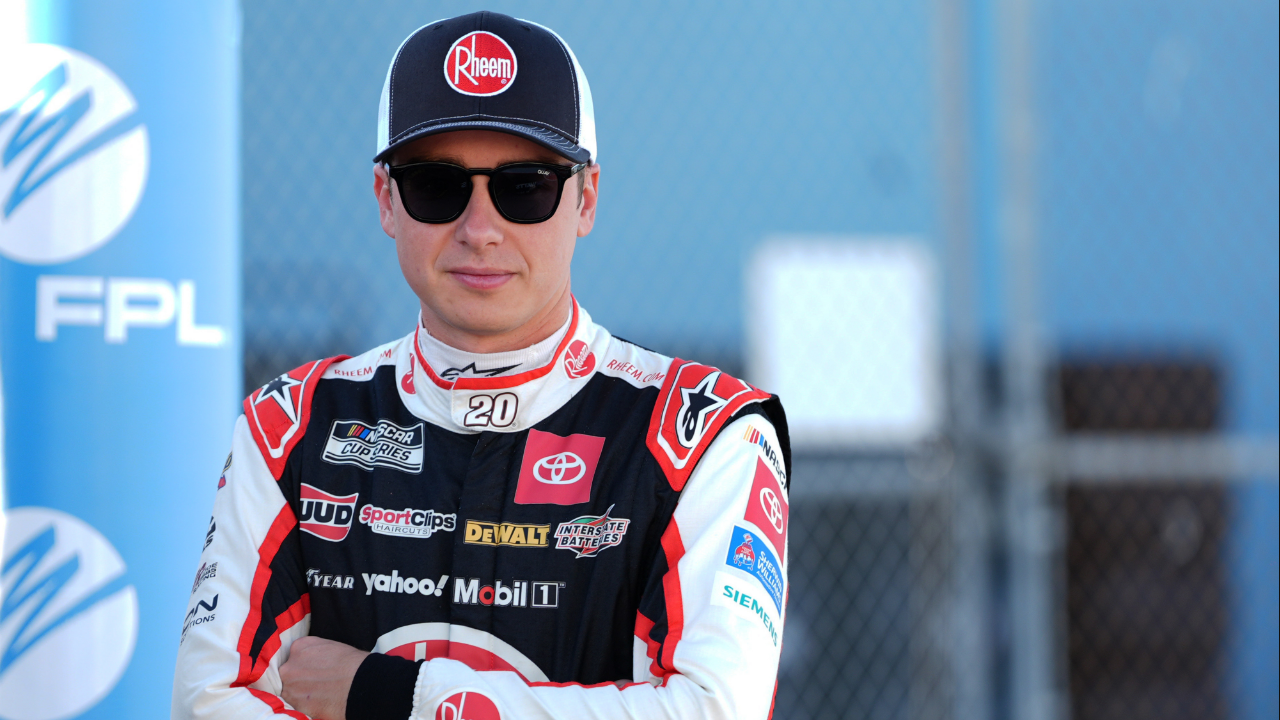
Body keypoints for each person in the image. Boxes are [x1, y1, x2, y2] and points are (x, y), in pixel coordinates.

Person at [172, 11, 790, 720]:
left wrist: (391, 697)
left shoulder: (706, 436)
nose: (479, 228)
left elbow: (713, 710)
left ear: (586, 198)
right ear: (385, 199)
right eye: (436, 185)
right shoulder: (292, 426)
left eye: (525, 187)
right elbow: (207, 703)